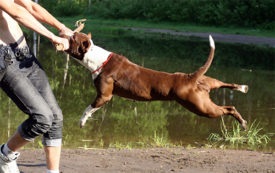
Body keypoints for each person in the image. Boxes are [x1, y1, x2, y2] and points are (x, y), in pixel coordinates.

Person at [0, 0, 72, 173]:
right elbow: (17, 12)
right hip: (5, 61)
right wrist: (52, 37)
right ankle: (5, 155)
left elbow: (30, 6)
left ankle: (52, 172)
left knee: (55, 117)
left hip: (24, 54)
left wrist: (61, 27)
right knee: (42, 118)